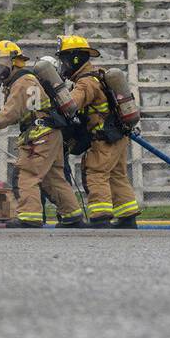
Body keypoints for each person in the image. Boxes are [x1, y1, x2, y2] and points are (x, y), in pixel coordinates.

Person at [0, 40, 83, 227]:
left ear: (15, 61)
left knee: (27, 174)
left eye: (1, 63)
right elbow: (18, 113)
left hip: (39, 135)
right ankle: (72, 215)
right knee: (53, 177)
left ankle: (29, 217)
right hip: (49, 134)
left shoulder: (22, 82)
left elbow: (8, 115)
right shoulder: (24, 81)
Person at [56, 35, 140, 229]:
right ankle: (127, 216)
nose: (63, 65)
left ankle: (100, 216)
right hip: (118, 136)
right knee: (117, 174)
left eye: (64, 60)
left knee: (96, 173)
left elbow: (71, 105)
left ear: (75, 58)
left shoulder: (86, 82)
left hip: (103, 138)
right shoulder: (98, 75)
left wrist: (57, 95)